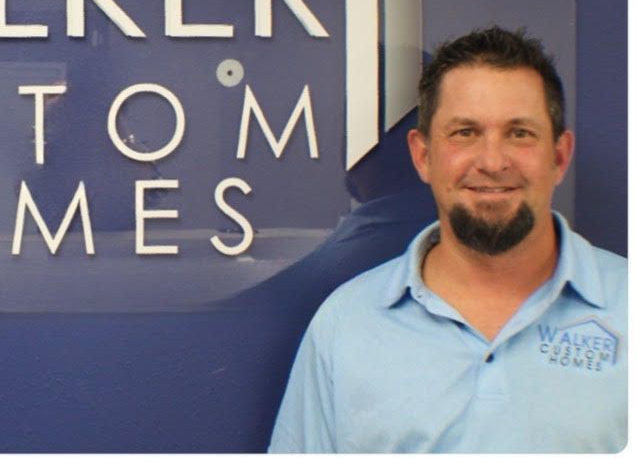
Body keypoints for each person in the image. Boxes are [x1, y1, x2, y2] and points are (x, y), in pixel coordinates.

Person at [267, 27, 626, 453]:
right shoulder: (345, 326)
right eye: (465, 133)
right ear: (423, 156)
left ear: (559, 157)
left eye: (519, 133)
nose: (492, 162)